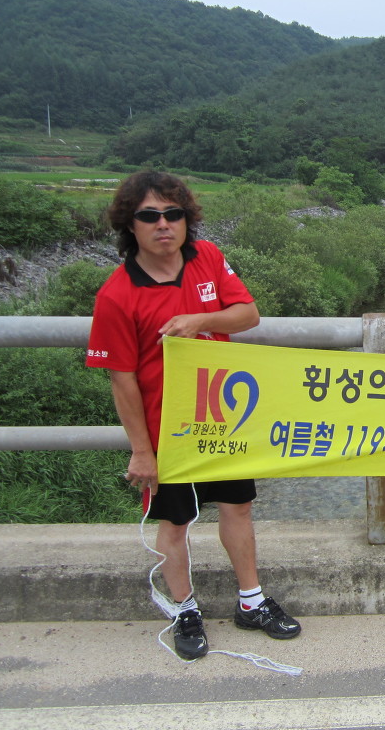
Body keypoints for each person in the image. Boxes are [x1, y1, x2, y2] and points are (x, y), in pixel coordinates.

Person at [86, 171, 301, 660]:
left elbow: (248, 313)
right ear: (131, 225)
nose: (163, 224)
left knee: (238, 507)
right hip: (167, 431)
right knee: (176, 522)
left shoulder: (206, 257)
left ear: (186, 219)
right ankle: (185, 610)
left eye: (173, 214)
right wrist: (142, 451)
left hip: (223, 418)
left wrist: (201, 320)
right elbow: (121, 380)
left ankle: (251, 602)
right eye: (150, 216)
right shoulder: (117, 295)